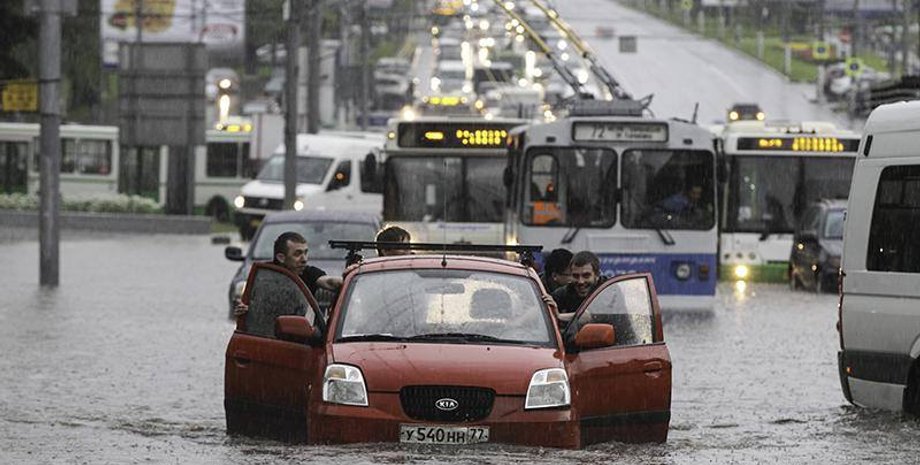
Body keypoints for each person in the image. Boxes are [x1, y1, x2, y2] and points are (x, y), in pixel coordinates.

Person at [234, 231, 342, 317]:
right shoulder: (264, 277)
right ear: (281, 257)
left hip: (300, 337)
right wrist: (244, 310)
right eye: (298, 254)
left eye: (306, 252)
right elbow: (253, 305)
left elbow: (330, 282)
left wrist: (349, 277)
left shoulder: (308, 273)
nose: (304, 259)